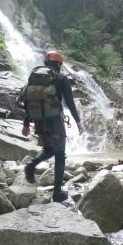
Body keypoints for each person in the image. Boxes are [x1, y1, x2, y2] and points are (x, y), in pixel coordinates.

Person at [21, 51, 84, 202]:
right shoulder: (60, 78)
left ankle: (31, 164)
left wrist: (26, 124)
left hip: (39, 120)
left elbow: (29, 100)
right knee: (60, 155)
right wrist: (78, 121)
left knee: (49, 150)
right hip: (55, 121)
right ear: (59, 64)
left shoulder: (34, 78)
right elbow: (69, 102)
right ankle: (57, 193)